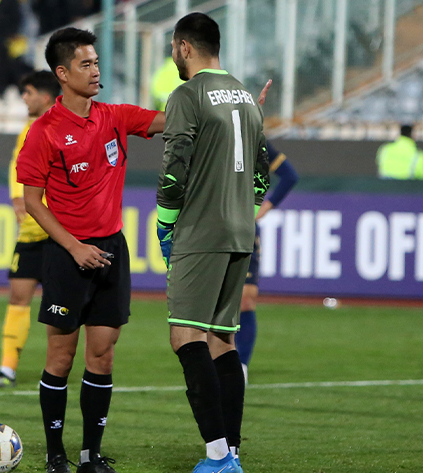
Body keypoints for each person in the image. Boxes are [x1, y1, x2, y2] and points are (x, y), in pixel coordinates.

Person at [16, 28, 163, 473]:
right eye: (86, 64)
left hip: (111, 251)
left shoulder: (115, 116)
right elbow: (31, 202)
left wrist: (234, 108)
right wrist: (74, 247)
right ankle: (55, 454)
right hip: (66, 255)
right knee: (60, 357)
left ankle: (90, 455)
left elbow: (166, 120)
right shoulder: (43, 133)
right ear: (62, 73)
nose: (96, 70)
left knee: (103, 354)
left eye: (97, 62)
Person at [156, 13, 269, 473]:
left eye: (172, 47)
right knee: (222, 340)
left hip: (202, 232)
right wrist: (245, 205)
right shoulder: (245, 95)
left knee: (185, 334)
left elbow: (174, 161)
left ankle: (218, 456)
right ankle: (233, 453)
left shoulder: (187, 94)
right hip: (242, 231)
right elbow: (261, 173)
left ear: (185, 47)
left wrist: (165, 223)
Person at [0, 70, 59, 388]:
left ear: (44, 96)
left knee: (60, 305)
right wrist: (17, 200)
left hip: (58, 231)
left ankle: (58, 368)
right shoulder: (29, 128)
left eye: (27, 93)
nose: (24, 98)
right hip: (30, 230)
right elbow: (19, 168)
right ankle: (7, 369)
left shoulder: (61, 126)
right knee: (18, 295)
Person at [236, 141, 299, 382]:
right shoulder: (214, 133)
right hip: (215, 224)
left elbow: (289, 176)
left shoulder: (255, 141)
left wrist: (265, 208)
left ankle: (241, 365)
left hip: (245, 229)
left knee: (246, 299)